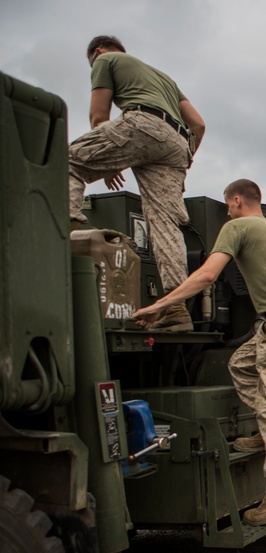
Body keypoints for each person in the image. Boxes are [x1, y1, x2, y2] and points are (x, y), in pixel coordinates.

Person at [133, 179, 266, 525]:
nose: (228, 210)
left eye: (228, 204)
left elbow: (206, 275)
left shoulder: (237, 225)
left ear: (236, 201)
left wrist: (159, 306)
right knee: (241, 364)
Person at [70, 35, 206, 332]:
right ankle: (176, 309)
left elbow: (98, 116)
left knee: (67, 162)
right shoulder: (165, 79)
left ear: (98, 50)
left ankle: (68, 230)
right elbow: (198, 124)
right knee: (164, 224)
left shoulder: (105, 60)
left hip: (143, 124)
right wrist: (184, 159)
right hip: (177, 144)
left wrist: (109, 164)